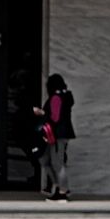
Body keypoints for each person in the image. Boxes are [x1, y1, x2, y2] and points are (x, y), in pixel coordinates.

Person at [34, 73, 76, 203]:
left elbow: (55, 117)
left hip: (57, 135)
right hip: (59, 134)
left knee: (57, 163)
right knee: (45, 159)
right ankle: (58, 187)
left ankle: (63, 192)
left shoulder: (56, 97)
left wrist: (41, 113)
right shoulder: (65, 96)